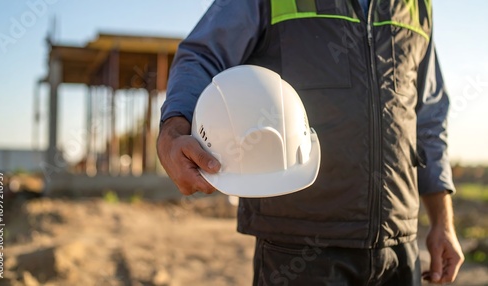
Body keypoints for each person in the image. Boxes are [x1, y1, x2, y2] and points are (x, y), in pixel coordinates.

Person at [157, 0, 464, 285]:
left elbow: (428, 116)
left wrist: (443, 222)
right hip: (298, 246)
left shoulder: (416, 5)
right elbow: (202, 55)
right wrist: (173, 128)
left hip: (399, 246)